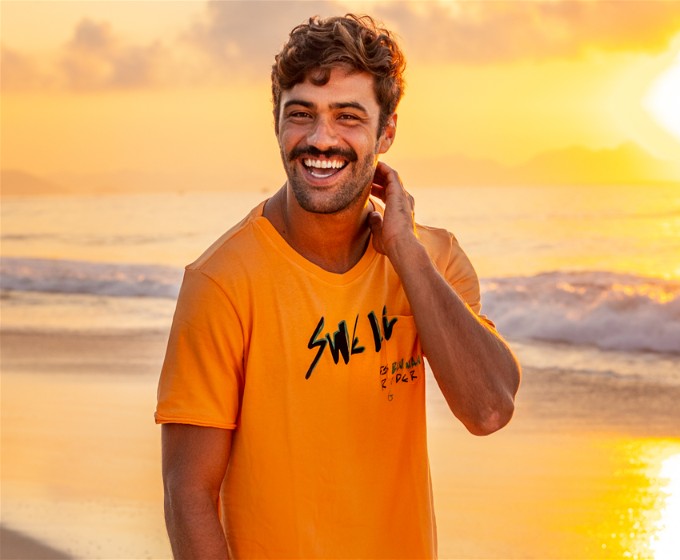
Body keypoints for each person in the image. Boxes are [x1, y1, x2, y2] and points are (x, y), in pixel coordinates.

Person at [156, 13, 521, 559]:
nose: (321, 139)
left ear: (387, 131)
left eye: (348, 117)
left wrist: (404, 252)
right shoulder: (223, 282)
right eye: (301, 114)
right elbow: (188, 495)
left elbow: (488, 410)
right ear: (277, 122)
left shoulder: (433, 260)